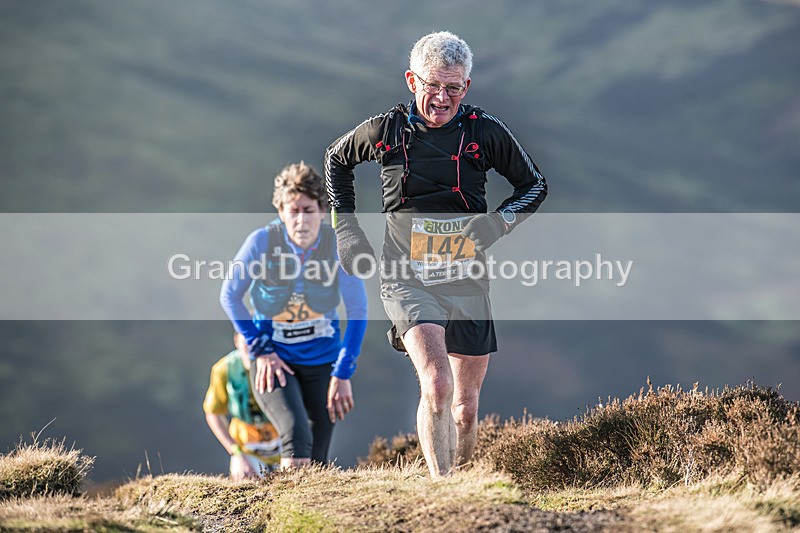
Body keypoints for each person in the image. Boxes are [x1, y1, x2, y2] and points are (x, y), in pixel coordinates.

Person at [325, 32, 547, 477]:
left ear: (467, 86)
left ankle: (463, 486)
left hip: (466, 278)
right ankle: (441, 488)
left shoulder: (484, 131)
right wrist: (346, 230)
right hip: (405, 277)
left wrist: (497, 223)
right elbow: (336, 159)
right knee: (438, 383)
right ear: (412, 81)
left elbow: (534, 185)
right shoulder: (387, 130)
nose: (443, 97)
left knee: (465, 408)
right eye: (433, 85)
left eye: (454, 87)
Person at [220, 161, 368, 469]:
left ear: (323, 211)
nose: (301, 219)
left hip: (323, 361)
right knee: (296, 436)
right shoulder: (262, 242)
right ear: (281, 212)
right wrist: (260, 349)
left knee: (318, 457)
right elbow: (230, 295)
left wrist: (343, 371)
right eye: (293, 210)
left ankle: (307, 503)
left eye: (308, 210)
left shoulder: (337, 246)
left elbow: (358, 311)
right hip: (275, 362)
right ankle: (288, 498)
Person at [203, 332, 282, 479]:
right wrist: (236, 453)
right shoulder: (224, 368)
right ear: (236, 340)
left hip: (284, 445)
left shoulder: (279, 362)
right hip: (246, 448)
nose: (251, 345)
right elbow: (213, 413)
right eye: (247, 339)